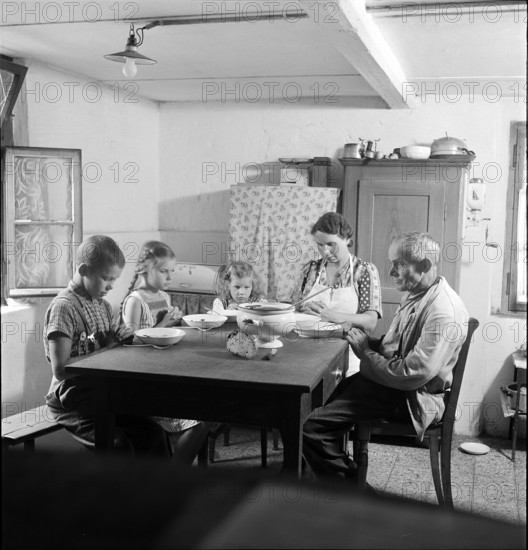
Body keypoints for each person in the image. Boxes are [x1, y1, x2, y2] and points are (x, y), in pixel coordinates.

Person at [302, 232, 469, 482]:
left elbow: (413, 374)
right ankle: (335, 479)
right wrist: (362, 339)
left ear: (424, 266)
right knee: (322, 398)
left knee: (313, 428)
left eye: (399, 264)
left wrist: (365, 351)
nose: (391, 272)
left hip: (413, 397)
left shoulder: (443, 311)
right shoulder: (418, 293)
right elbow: (395, 347)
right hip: (393, 386)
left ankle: (356, 498)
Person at [44, 235, 168, 456]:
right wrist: (107, 349)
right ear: (83, 270)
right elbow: (61, 370)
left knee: (153, 435)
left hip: (100, 392)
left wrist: (138, 338)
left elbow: (119, 341)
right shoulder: (64, 307)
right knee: (119, 447)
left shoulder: (103, 306)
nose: (111, 286)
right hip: (72, 400)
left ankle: (159, 490)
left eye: (114, 280)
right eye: (105, 278)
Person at [120, 240, 210, 465]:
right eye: (164, 272)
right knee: (199, 422)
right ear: (145, 269)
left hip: (163, 373)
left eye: (171, 272)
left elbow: (164, 336)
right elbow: (129, 343)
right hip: (142, 381)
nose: (169, 278)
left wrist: (173, 324)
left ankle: (174, 472)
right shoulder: (135, 300)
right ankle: (172, 476)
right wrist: (165, 324)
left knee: (207, 410)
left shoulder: (163, 296)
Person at [293, 211, 382, 375]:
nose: (325, 251)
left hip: (348, 356)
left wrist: (330, 314)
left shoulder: (363, 271)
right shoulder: (310, 270)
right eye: (320, 245)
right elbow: (294, 310)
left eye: (331, 244)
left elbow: (370, 322)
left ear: (347, 239)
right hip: (307, 355)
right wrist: (300, 309)